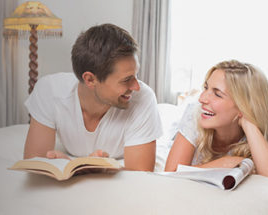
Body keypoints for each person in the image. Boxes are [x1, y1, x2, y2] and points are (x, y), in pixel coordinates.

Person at [23, 23, 163, 171]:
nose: (136, 87)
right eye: (126, 80)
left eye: (136, 75)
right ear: (90, 80)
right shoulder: (50, 91)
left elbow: (140, 176)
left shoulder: (143, 98)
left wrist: (98, 169)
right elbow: (34, 164)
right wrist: (72, 166)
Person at [165, 60, 268, 178]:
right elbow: (169, 175)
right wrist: (223, 164)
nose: (202, 99)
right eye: (206, 88)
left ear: (243, 105)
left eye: (217, 94)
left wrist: (249, 123)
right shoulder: (195, 114)